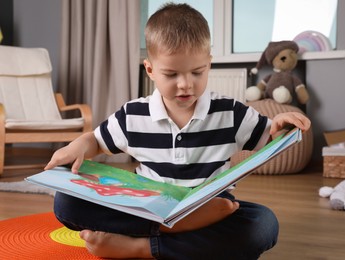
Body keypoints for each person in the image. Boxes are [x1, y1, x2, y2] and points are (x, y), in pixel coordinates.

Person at [45, 3, 311, 259]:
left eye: (197, 72)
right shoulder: (134, 114)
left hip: (210, 209)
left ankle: (139, 248)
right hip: (147, 206)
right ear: (150, 69)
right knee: (66, 202)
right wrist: (79, 145)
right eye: (171, 74)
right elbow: (97, 141)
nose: (186, 84)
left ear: (209, 63)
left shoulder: (231, 112)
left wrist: (279, 127)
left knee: (262, 225)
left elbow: (269, 138)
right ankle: (169, 230)